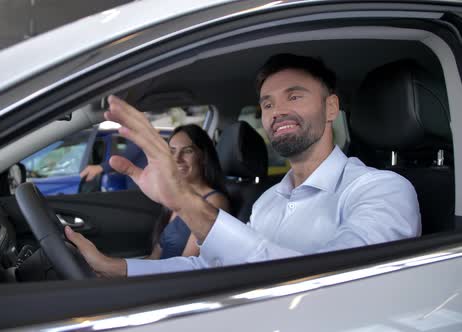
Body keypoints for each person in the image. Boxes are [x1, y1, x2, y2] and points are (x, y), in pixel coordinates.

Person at [65, 53, 421, 277]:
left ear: (331, 108)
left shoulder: (381, 189)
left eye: (294, 96)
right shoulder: (268, 201)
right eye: (267, 104)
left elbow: (328, 282)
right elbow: (210, 266)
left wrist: (186, 203)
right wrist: (117, 267)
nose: (277, 111)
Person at [147, 124, 229, 259]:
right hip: (160, 274)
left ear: (203, 157)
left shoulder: (214, 202)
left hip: (177, 278)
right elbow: (154, 258)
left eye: (187, 151)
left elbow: (187, 266)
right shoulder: (174, 198)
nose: (177, 159)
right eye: (172, 151)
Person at [80, 137, 147, 190]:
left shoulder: (135, 132)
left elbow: (133, 150)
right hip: (137, 183)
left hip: (143, 181)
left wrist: (101, 167)